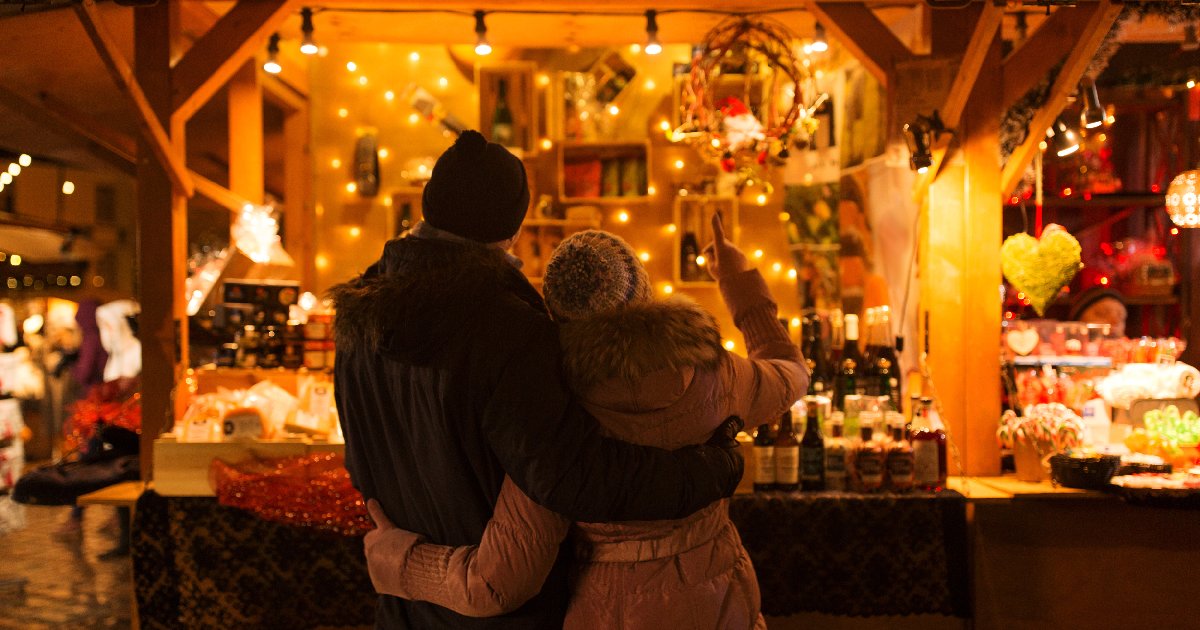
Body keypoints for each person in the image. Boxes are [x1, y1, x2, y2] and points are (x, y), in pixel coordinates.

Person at [331, 130, 744, 629]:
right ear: (513, 226)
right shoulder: (508, 329)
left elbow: (362, 470)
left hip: (407, 612)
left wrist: (408, 562)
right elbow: (572, 476)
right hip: (507, 619)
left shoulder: (357, 316)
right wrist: (715, 469)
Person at [362, 219, 808, 629]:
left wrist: (398, 562)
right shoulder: (717, 373)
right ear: (643, 293)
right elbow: (790, 372)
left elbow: (497, 584)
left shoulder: (552, 417)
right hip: (722, 607)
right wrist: (736, 280)